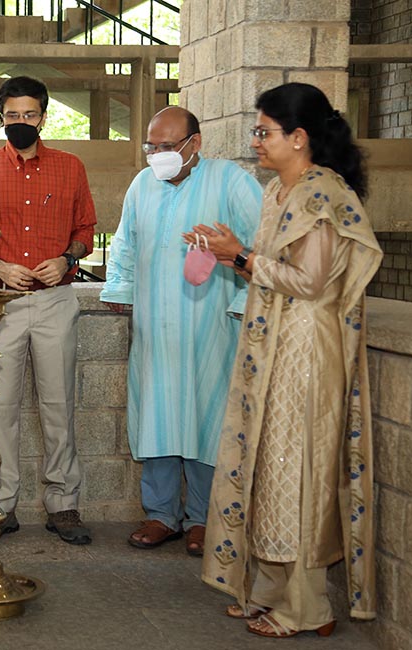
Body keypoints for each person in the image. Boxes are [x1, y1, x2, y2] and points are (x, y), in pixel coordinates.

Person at [197, 83, 380, 638]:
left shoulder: (321, 193)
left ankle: (309, 609)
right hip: (273, 346)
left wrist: (243, 256)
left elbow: (311, 281)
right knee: (268, 468)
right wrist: (234, 254)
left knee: (298, 475)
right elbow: (272, 269)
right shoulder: (280, 189)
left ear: (298, 138)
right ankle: (273, 590)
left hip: (307, 350)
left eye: (264, 132)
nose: (256, 141)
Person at [100, 107, 262, 556]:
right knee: (157, 416)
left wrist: (242, 304)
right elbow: (125, 242)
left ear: (195, 143)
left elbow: (264, 244)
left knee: (206, 419)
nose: (157, 155)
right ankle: (160, 515)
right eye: (151, 146)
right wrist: (121, 288)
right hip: (155, 328)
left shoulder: (229, 181)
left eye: (168, 147)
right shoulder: (142, 185)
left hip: (211, 327)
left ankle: (204, 519)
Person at [0, 76, 95, 545]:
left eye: (29, 115)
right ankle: (0, 502)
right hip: (1, 306)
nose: (20, 123)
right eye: (11, 116)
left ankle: (63, 504)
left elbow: (86, 228)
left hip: (55, 301)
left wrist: (67, 259)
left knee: (58, 406)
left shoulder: (70, 168)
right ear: (1, 118)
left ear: (44, 117)